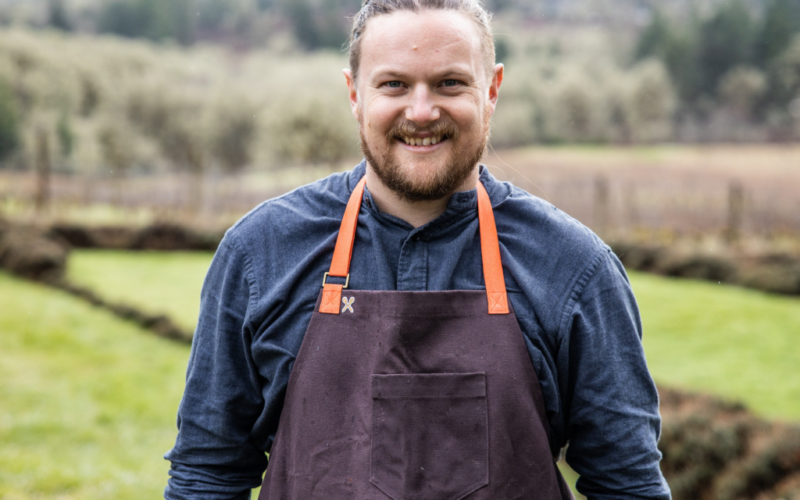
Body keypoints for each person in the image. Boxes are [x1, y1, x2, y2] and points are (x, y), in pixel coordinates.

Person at [165, 1, 672, 499]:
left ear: (492, 89)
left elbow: (628, 486)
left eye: (450, 83)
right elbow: (206, 476)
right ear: (354, 94)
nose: (422, 112)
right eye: (394, 84)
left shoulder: (575, 268)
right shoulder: (259, 253)